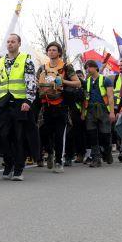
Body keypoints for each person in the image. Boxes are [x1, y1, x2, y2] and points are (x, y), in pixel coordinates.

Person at [0, 34, 36, 181]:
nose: (10, 44)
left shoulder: (26, 60)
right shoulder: (0, 62)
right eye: (8, 42)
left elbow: (31, 82)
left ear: (19, 43)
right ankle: (8, 163)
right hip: (4, 103)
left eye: (13, 41)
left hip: (20, 103)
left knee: (18, 137)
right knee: (2, 134)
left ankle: (18, 169)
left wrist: (28, 101)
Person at [36, 42, 80, 173]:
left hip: (61, 105)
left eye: (54, 50)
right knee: (46, 133)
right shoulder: (43, 67)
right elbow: (37, 83)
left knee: (60, 135)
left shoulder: (66, 66)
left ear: (59, 52)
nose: (51, 52)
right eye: (49, 50)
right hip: (46, 105)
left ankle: (59, 161)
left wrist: (62, 81)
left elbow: (77, 83)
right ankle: (50, 153)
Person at [81, 60, 116, 168]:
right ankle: (96, 159)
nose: (87, 69)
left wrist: (112, 112)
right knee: (92, 134)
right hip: (90, 110)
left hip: (103, 110)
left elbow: (110, 97)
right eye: (86, 67)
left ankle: (107, 151)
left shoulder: (106, 80)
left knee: (105, 134)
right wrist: (83, 112)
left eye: (89, 67)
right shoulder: (87, 82)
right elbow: (84, 98)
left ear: (96, 68)